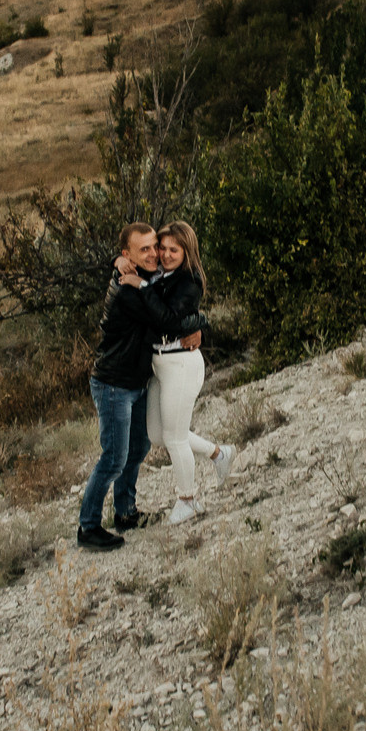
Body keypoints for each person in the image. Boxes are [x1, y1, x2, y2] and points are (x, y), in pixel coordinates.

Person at [77, 222, 203, 550]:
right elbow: (164, 321)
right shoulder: (128, 290)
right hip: (114, 384)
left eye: (154, 247)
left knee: (138, 448)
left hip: (137, 382)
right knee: (114, 457)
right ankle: (88, 527)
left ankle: (125, 513)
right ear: (127, 254)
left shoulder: (145, 278)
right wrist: (194, 325)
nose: (153, 254)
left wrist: (197, 326)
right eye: (143, 249)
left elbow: (172, 305)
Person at [147, 221, 232, 523]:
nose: (166, 254)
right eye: (163, 248)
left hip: (181, 364)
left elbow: (169, 319)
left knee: (174, 438)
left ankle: (189, 499)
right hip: (159, 364)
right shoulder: (158, 274)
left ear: (187, 251)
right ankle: (219, 454)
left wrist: (199, 323)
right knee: (158, 434)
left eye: (174, 249)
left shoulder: (188, 281)